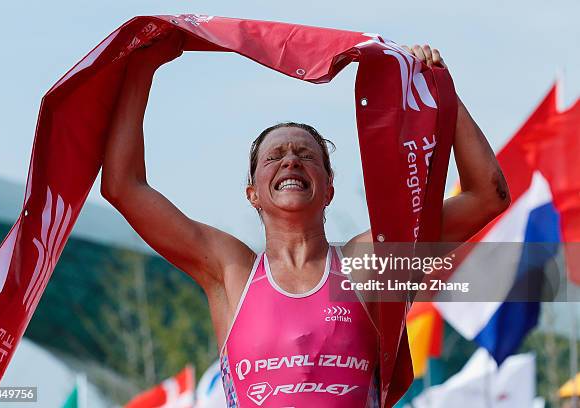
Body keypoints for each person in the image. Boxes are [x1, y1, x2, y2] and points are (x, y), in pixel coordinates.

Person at [100, 32, 510, 407]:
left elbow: (486, 197)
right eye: (274, 158)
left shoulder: (367, 266)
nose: (291, 159)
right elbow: (124, 187)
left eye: (306, 155)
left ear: (328, 188)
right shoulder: (230, 271)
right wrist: (141, 66)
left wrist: (441, 91)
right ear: (253, 194)